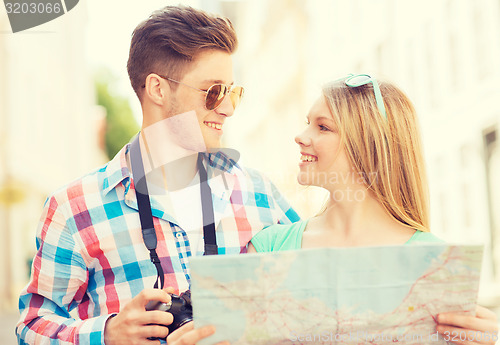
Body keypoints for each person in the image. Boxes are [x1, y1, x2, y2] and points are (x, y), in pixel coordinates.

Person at [16, 5, 299, 345]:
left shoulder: (259, 193)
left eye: (232, 92)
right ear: (158, 89)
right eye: (213, 91)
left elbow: (321, 291)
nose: (227, 108)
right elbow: (31, 325)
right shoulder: (72, 208)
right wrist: (107, 333)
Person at [248, 74, 499, 345]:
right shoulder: (267, 248)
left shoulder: (436, 264)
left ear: (368, 144)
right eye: (308, 124)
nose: (300, 137)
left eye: (323, 127)